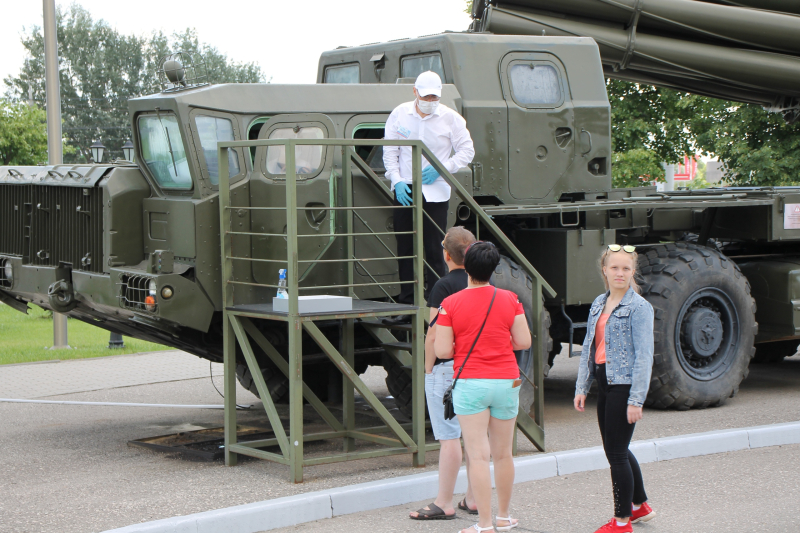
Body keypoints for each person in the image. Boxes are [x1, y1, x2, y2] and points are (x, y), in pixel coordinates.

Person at [435, 242, 531, 533]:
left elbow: (441, 351)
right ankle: (504, 516)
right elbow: (524, 341)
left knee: (477, 455)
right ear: (494, 268)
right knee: (504, 454)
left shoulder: (450, 304)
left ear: (465, 265)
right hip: (506, 380)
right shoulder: (510, 298)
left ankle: (485, 523)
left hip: (472, 382)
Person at [574, 244, 656, 533]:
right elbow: (588, 346)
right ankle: (640, 506)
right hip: (604, 382)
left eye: (625, 268)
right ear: (604, 271)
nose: (620, 273)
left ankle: (622, 522)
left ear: (633, 271)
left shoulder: (640, 308)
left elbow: (645, 356)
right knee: (615, 449)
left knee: (617, 453)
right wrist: (581, 385)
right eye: (614, 268)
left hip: (624, 385)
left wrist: (636, 400)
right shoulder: (599, 302)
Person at [382, 70, 475, 325]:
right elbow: (389, 150)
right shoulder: (399, 114)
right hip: (405, 189)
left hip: (435, 191)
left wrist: (442, 167)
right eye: (426, 96)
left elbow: (467, 151)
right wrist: (397, 179)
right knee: (405, 245)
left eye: (435, 97)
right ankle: (407, 303)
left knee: (435, 249)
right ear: (415, 92)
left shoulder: (450, 118)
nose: (430, 101)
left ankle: (438, 308)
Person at [409, 226, 477, 521]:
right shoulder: (483, 283)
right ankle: (473, 498)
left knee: (449, 438)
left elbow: (433, 332)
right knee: (475, 439)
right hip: (475, 366)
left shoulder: (443, 286)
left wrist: (427, 368)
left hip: (447, 368)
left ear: (446, 255)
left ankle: (444, 502)